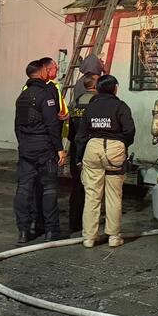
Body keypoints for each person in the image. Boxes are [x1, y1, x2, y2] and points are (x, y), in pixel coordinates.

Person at [75, 75, 135, 248]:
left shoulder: (91, 107)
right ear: (114, 88)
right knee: (114, 195)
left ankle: (88, 237)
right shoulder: (121, 106)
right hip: (115, 149)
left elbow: (81, 134)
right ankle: (114, 237)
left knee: (92, 195)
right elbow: (130, 131)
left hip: (93, 148)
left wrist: (79, 158)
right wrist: (121, 143)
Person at [14, 60, 66, 245]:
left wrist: (24, 144)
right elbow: (52, 125)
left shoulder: (22, 96)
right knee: (49, 189)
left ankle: (24, 231)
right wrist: (59, 148)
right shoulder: (45, 96)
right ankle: (51, 230)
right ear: (42, 72)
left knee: (24, 189)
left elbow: (17, 126)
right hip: (44, 148)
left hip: (26, 148)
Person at [68, 71, 99, 233]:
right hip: (92, 148)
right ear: (95, 85)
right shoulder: (97, 104)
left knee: (77, 186)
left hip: (76, 148)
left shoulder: (75, 103)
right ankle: (90, 224)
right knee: (93, 187)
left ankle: (74, 222)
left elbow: (70, 132)